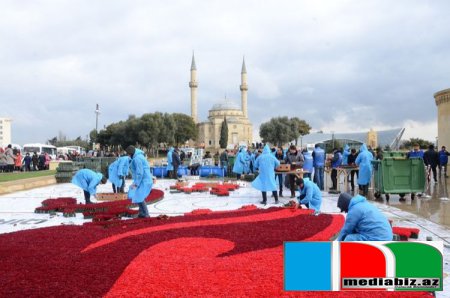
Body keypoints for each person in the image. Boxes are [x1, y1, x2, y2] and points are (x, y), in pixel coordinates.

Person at [126, 146, 154, 218]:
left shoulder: (137, 159)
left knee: (139, 196)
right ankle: (142, 213)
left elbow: (140, 172)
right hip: (143, 179)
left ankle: (146, 214)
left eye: (128, 154)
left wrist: (136, 183)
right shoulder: (138, 156)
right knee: (137, 195)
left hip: (143, 180)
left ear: (131, 153)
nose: (128, 156)